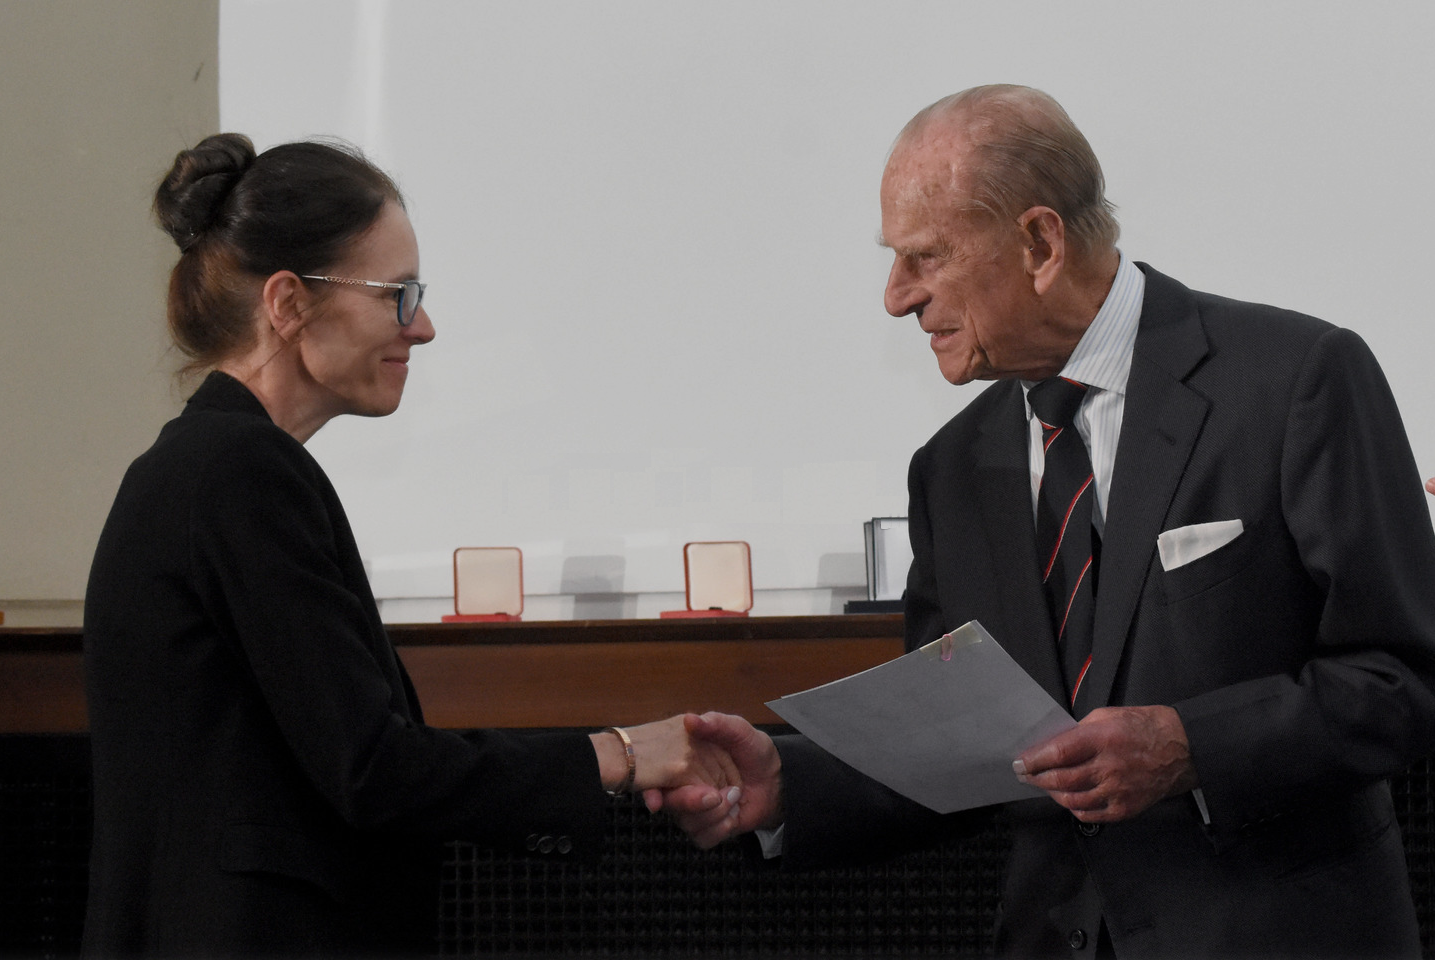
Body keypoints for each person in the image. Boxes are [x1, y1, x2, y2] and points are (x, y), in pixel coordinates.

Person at [652, 85, 1435, 958]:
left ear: (1038, 242)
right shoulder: (950, 469)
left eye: (924, 257)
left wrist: (1191, 747)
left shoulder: (1295, 380)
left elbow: (1402, 679)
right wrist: (790, 784)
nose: (894, 296)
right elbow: (957, 752)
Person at [82, 133, 735, 958]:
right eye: (396, 294)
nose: (422, 327)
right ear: (287, 304)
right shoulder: (240, 470)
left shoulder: (206, 464)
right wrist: (621, 753)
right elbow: (372, 771)